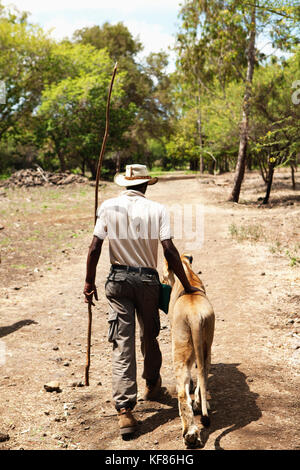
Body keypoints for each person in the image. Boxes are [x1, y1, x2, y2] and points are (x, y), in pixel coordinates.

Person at [83, 164, 199, 437]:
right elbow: (169, 249)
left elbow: (95, 246)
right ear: (146, 185)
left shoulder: (108, 206)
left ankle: (124, 410)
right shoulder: (157, 209)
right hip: (147, 281)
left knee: (122, 342)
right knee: (149, 334)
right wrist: (186, 282)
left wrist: (88, 282)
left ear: (125, 184)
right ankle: (152, 383)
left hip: (118, 280)